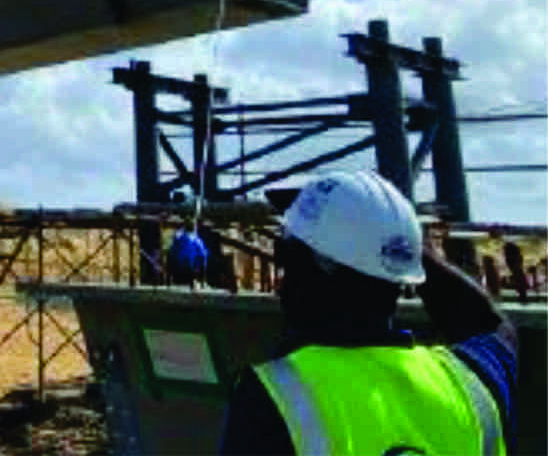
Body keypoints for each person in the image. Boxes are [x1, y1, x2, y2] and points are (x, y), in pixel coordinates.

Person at [219, 169, 516, 455]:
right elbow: (491, 326)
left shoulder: (276, 397)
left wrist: (385, 241)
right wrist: (395, 241)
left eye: (286, 259)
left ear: (308, 270)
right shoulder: (469, 381)